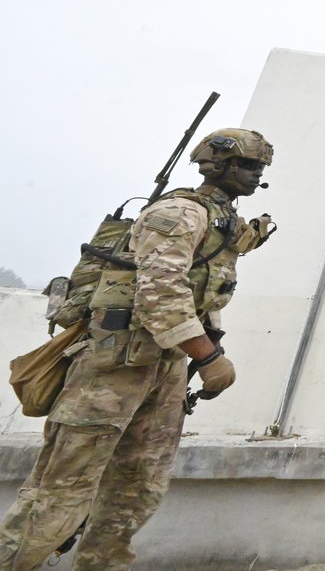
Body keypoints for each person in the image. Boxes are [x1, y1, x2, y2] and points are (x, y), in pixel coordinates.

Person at [0, 129, 277, 571]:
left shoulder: (222, 219)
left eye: (259, 168)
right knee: (60, 493)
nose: (255, 174)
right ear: (216, 164)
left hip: (163, 366)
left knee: (136, 490)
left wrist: (202, 345)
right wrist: (208, 357)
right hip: (113, 365)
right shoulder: (179, 213)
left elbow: (201, 292)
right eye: (247, 165)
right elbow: (160, 293)